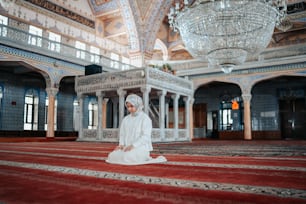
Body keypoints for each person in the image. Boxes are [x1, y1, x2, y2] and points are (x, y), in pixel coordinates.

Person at [106, 94, 167, 165]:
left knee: (127, 157)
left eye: (132, 106)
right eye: (128, 106)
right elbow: (122, 134)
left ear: (138, 105)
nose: (129, 109)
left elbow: (146, 137)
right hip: (127, 148)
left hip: (141, 148)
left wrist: (133, 146)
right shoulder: (125, 119)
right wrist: (121, 145)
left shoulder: (145, 118)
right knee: (112, 155)